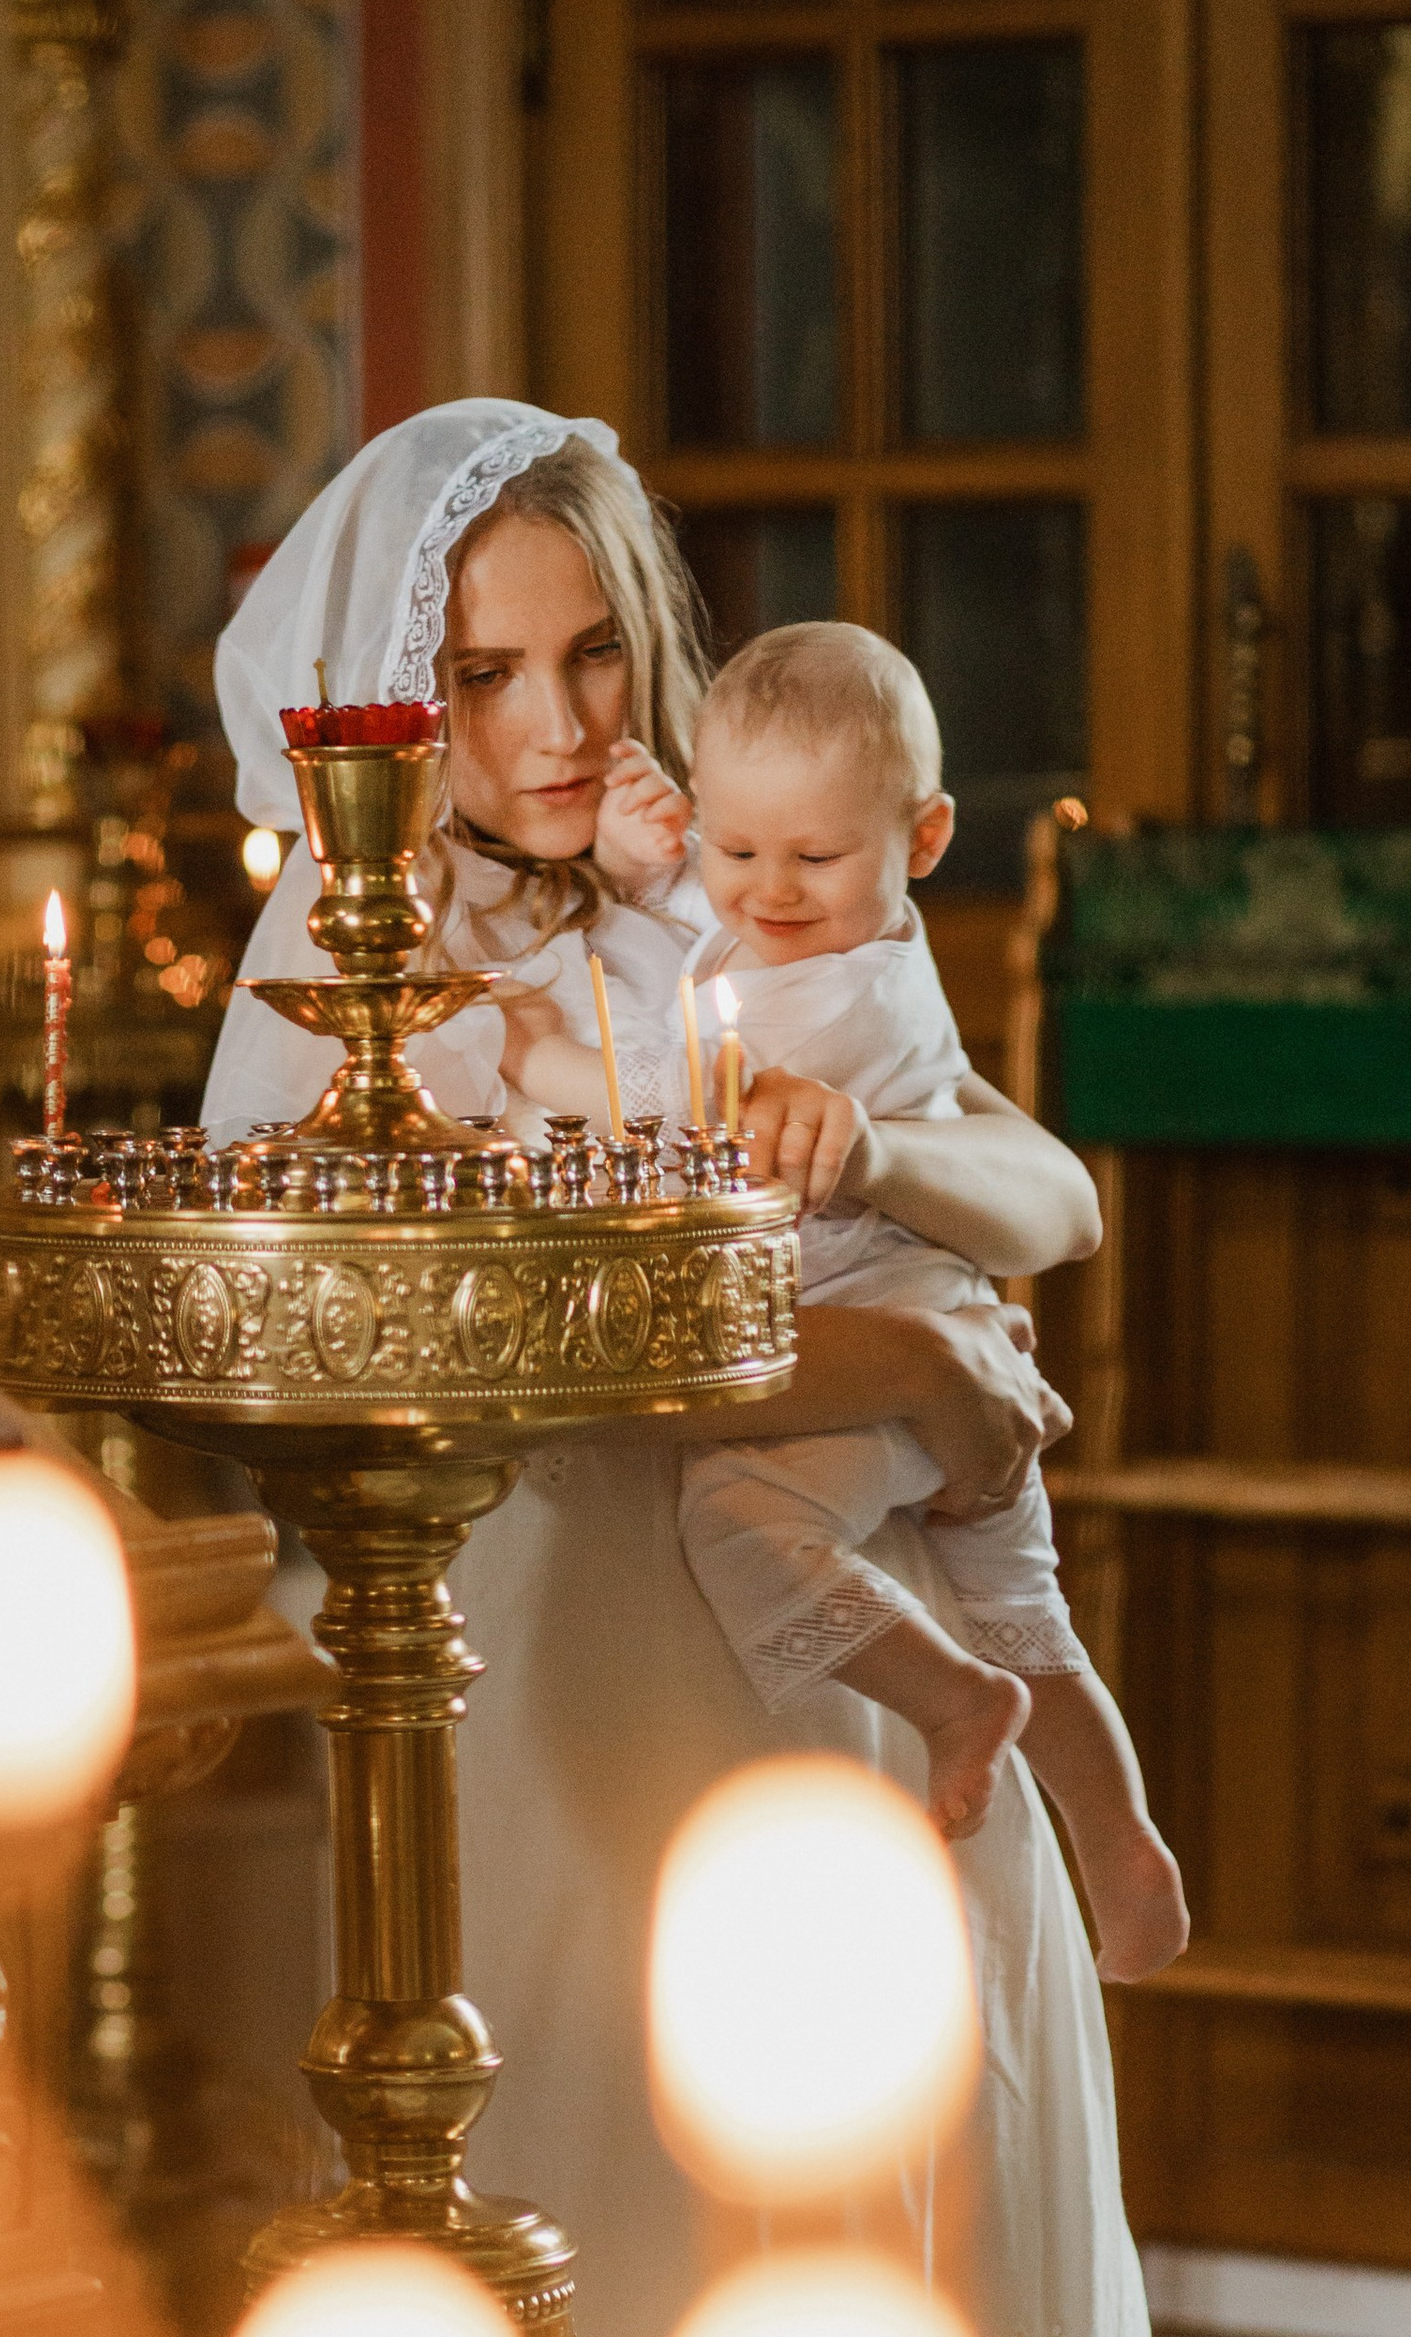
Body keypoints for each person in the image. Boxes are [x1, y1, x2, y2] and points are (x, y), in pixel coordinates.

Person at [206, 399, 1195, 2337]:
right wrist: (904, 1366)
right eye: (479, 676)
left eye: (589, 653)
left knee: (878, 2275)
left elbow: (1033, 1186)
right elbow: (507, 1369)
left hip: (822, 1703)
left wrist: (892, 1208)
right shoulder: (339, 988)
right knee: (620, 2270)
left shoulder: (728, 900)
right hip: (548, 1696)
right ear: (373, 708)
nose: (552, 723)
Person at [500, 618, 1190, 1983]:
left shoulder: (845, 1004)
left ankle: (955, 1706)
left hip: (877, 1350)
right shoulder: (823, 934)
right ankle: (1121, 1842)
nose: (767, 892)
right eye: (736, 850)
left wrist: (539, 1060)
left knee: (740, 1523)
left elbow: (678, 1095)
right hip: (934, 1331)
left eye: (813, 859)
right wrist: (661, 863)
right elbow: (739, 936)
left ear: (925, 840)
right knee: (1023, 1606)